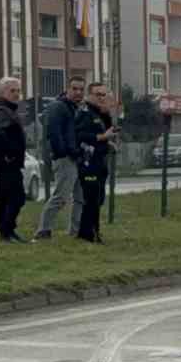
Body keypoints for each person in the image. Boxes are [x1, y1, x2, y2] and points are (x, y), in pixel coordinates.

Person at [35, 76, 85, 240]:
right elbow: (53, 133)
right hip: (65, 159)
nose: (78, 92)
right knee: (61, 196)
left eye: (81, 89)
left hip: (76, 157)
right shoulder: (58, 107)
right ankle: (43, 230)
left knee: (80, 196)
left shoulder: (74, 108)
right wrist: (63, 153)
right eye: (74, 89)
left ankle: (76, 231)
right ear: (67, 89)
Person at [73, 83, 117, 244]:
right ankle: (89, 234)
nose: (101, 97)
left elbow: (103, 134)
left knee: (98, 199)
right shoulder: (85, 113)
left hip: (100, 161)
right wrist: (102, 138)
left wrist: (108, 142)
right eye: (97, 94)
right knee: (91, 199)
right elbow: (80, 136)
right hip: (88, 163)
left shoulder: (101, 113)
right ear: (89, 95)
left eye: (104, 94)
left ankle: (89, 232)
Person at [0, 77, 29, 244]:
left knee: (6, 198)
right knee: (17, 197)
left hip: (7, 162)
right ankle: (6, 231)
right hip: (6, 163)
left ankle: (7, 232)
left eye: (18, 90)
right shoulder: (2, 111)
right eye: (12, 91)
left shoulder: (8, 110)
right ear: (3, 92)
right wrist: (10, 154)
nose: (16, 94)